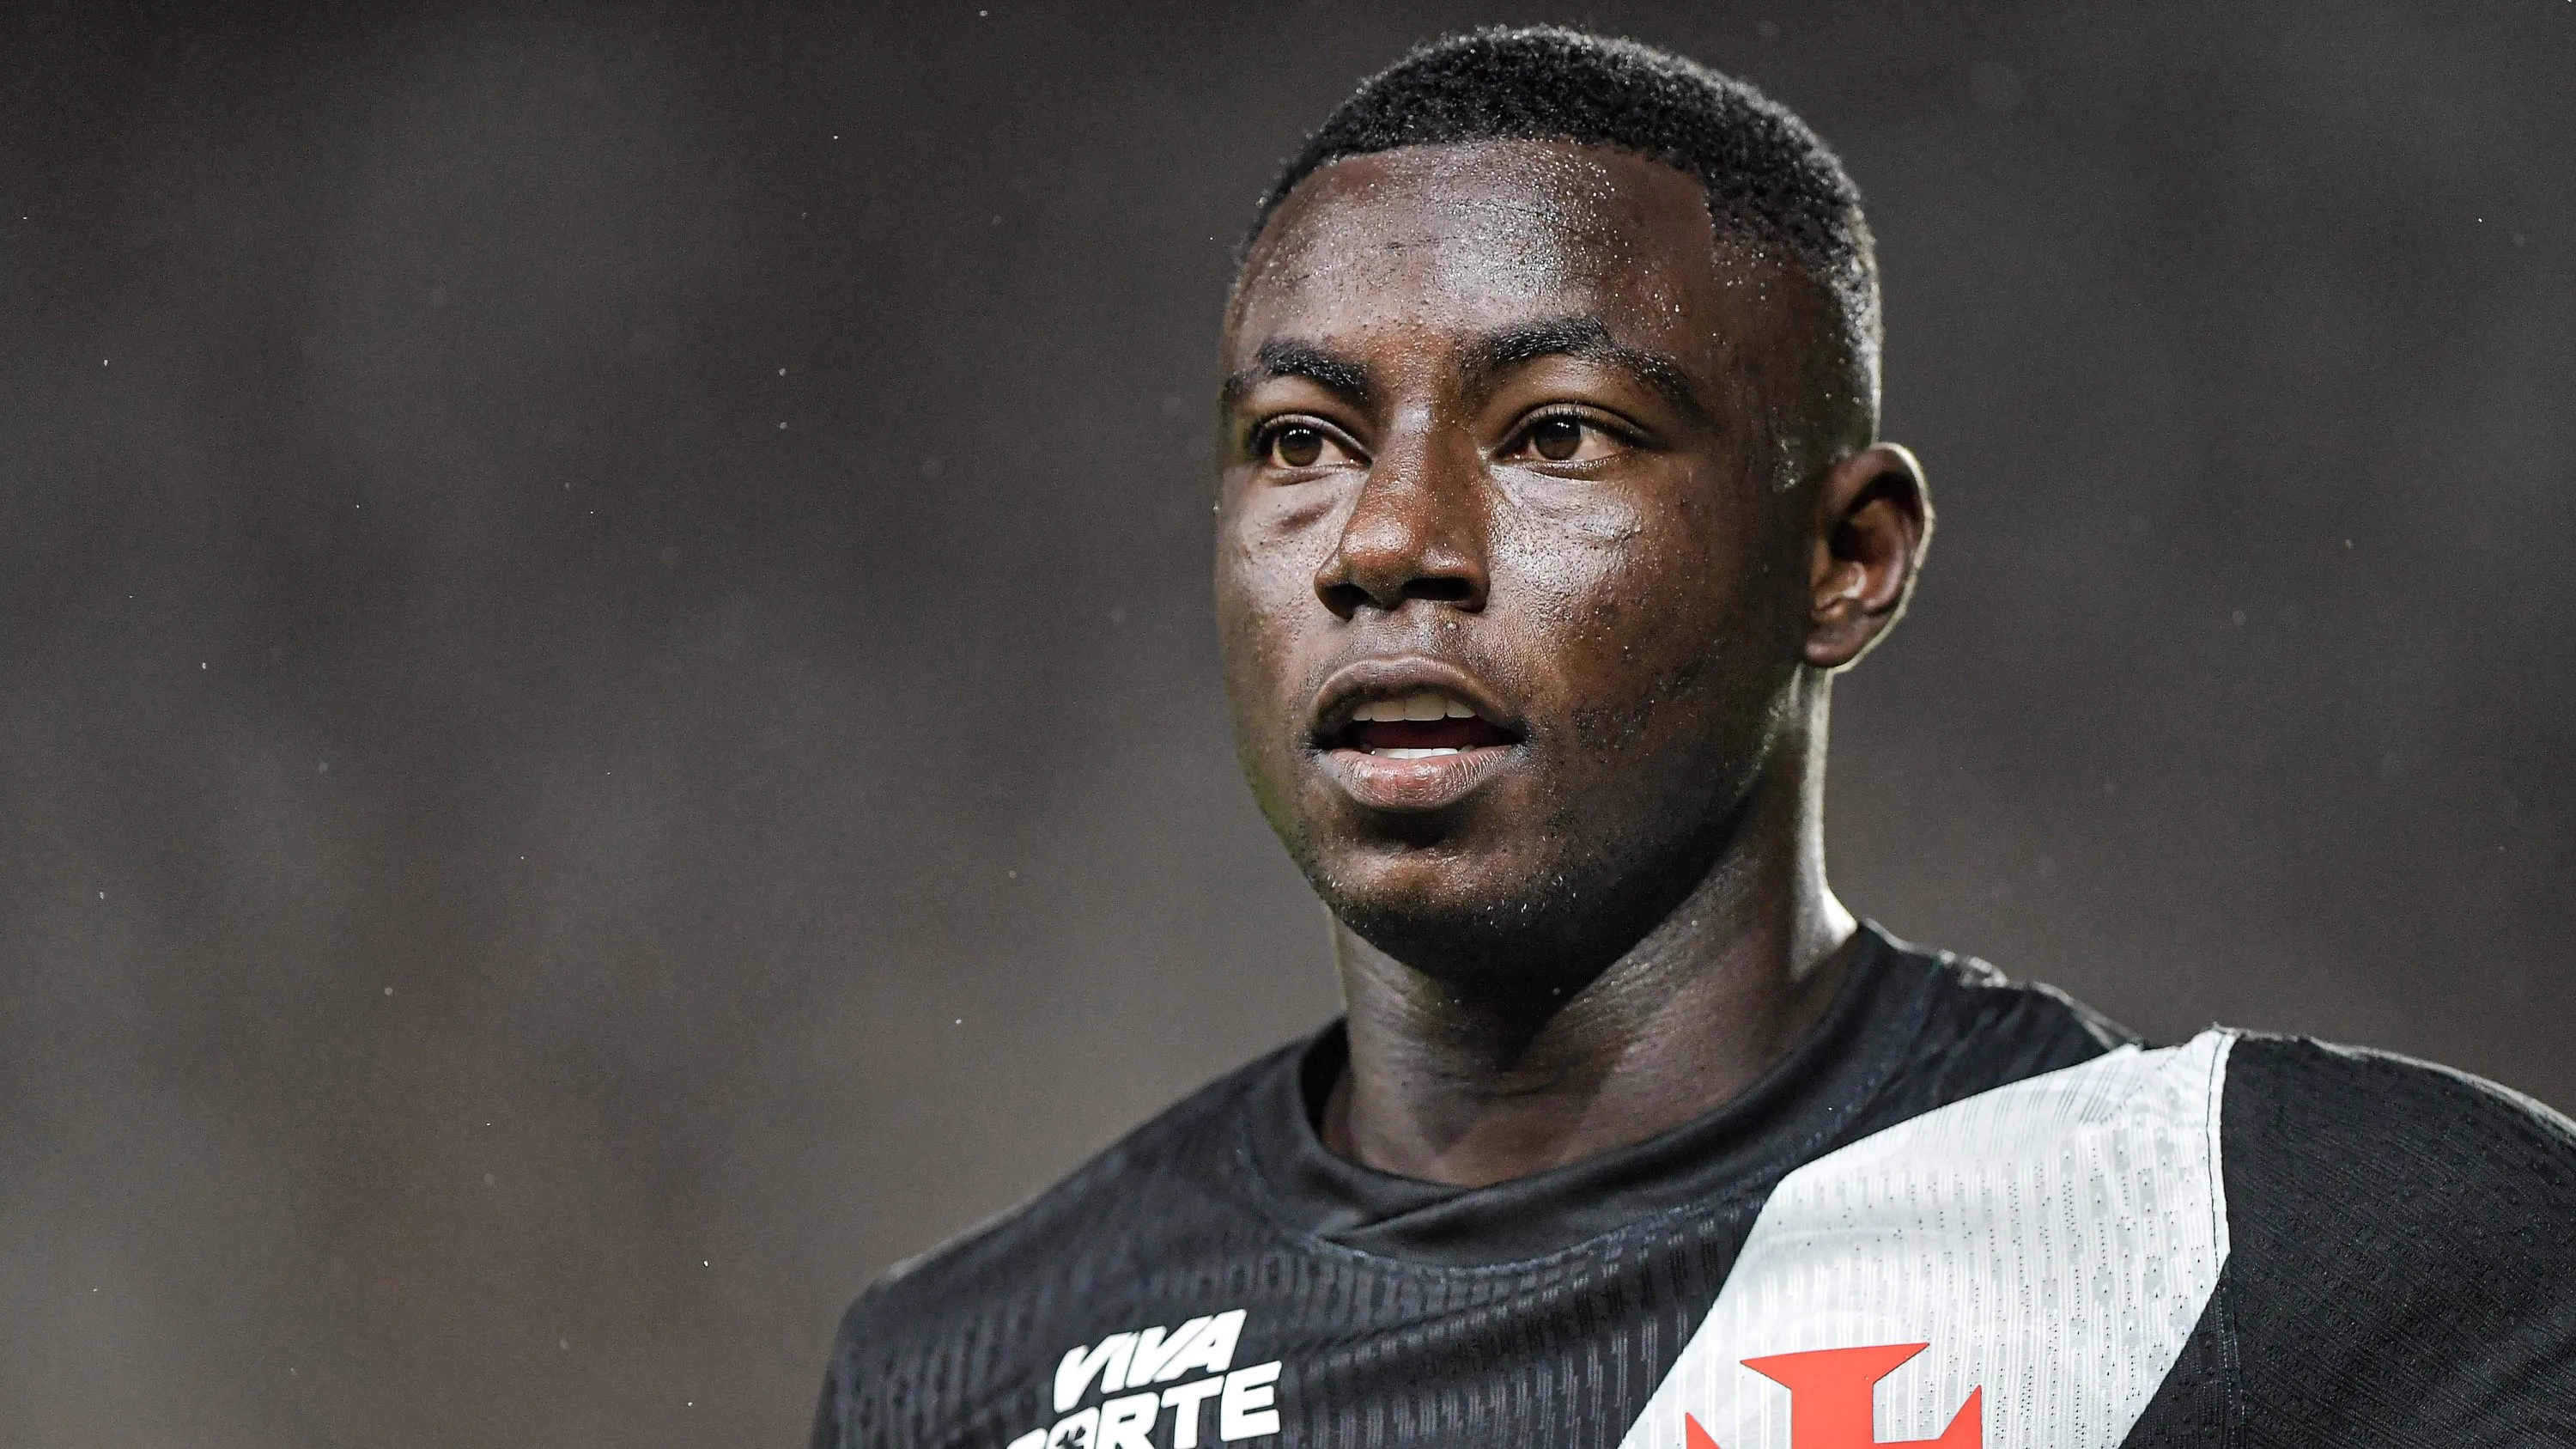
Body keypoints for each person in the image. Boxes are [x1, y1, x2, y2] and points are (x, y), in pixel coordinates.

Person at [811, 27, 2576, 1449]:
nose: (1383, 539)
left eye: (1558, 434)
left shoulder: (2303, 1248)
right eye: (1299, 441)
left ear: (1845, 560)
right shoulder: (968, 1373)